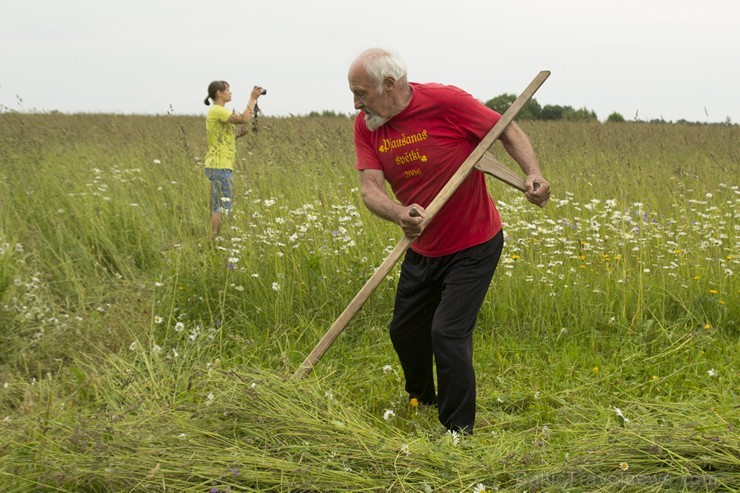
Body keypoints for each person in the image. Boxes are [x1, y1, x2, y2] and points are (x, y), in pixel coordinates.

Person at [348, 48, 551, 434]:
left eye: (361, 92)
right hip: (422, 245)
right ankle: (423, 399)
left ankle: (458, 431)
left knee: (447, 332)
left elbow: (505, 128)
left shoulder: (445, 102)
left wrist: (532, 173)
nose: (357, 103)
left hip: (473, 244)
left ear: (389, 84)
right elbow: (370, 188)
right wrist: (398, 213)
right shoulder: (367, 125)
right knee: (404, 330)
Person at [203, 81, 264, 238]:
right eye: (227, 90)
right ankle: (213, 242)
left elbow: (220, 139)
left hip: (217, 165)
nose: (230, 93)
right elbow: (244, 118)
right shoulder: (218, 110)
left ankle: (214, 240)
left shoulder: (217, 112)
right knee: (222, 207)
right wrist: (252, 98)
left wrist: (237, 136)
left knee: (218, 206)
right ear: (218, 93)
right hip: (220, 166)